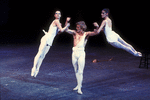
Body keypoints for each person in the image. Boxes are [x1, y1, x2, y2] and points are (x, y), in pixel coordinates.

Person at [31, 11, 70, 78]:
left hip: (50, 40)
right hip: (46, 38)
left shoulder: (58, 23)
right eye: (56, 13)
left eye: (59, 13)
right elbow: (63, 29)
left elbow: (60, 32)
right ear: (54, 15)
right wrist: (66, 26)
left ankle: (37, 69)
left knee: (42, 56)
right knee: (39, 53)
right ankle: (34, 68)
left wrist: (66, 22)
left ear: (60, 15)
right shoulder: (56, 21)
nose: (58, 14)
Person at [65, 18, 98, 94]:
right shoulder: (74, 33)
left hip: (81, 54)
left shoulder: (86, 34)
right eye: (76, 27)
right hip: (74, 53)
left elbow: (96, 33)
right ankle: (78, 84)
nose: (77, 28)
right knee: (76, 70)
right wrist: (67, 22)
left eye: (78, 27)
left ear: (82, 27)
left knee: (80, 71)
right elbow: (66, 30)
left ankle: (79, 88)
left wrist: (97, 27)